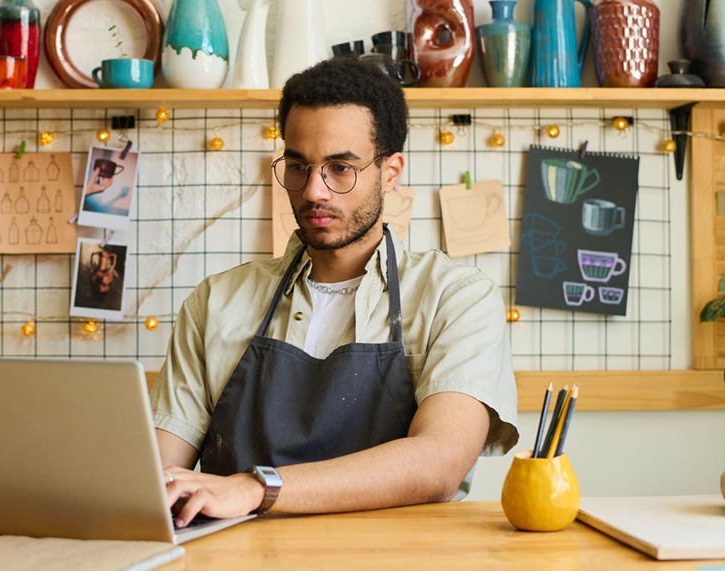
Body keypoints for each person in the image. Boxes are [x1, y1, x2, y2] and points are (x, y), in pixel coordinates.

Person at [150, 57, 518, 528]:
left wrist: (254, 487)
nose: (314, 191)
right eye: (299, 166)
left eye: (340, 167)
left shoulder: (456, 298)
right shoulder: (215, 302)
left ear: (390, 171)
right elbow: (162, 475)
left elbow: (438, 464)